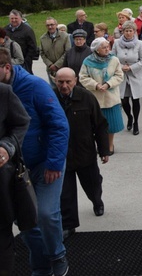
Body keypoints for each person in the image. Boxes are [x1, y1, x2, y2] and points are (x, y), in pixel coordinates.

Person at [0, 47, 70, 276]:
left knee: (46, 214)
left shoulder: (34, 86)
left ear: (6, 68)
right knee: (27, 221)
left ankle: (58, 256)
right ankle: (40, 265)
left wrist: (53, 163)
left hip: (45, 163)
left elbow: (59, 125)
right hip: (17, 168)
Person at [53, 68, 109, 240]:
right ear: (55, 81)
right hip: (62, 156)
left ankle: (97, 201)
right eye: (60, 82)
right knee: (66, 193)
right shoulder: (50, 99)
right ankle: (69, 226)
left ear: (75, 80)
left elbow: (100, 124)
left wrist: (104, 150)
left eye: (68, 82)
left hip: (85, 153)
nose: (64, 85)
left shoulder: (86, 97)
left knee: (92, 184)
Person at [0, 81, 30, 275]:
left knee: (2, 238)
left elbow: (22, 121)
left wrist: (6, 147)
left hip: (1, 182)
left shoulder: (3, 92)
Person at [79, 38, 124, 156]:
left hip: (110, 98)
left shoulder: (114, 59)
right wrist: (96, 85)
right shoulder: (87, 61)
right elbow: (83, 77)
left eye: (108, 46)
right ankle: (99, 144)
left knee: (111, 124)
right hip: (95, 99)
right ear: (96, 49)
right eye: (104, 47)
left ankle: (110, 144)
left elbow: (119, 75)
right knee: (96, 125)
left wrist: (108, 84)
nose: (107, 49)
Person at [112, 21, 142, 135]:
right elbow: (112, 58)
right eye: (126, 31)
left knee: (135, 99)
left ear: (134, 32)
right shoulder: (117, 43)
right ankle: (129, 117)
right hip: (122, 75)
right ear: (122, 32)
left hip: (135, 75)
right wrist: (120, 66)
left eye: (130, 31)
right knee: (124, 100)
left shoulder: (139, 43)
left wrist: (132, 67)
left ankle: (136, 123)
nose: (128, 33)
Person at [40, 17, 71, 85]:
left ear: (56, 25)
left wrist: (57, 65)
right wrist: (50, 65)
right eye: (48, 25)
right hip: (50, 70)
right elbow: (42, 53)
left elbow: (68, 52)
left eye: (52, 24)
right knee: (54, 90)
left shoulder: (65, 36)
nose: (50, 27)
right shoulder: (43, 38)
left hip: (63, 68)